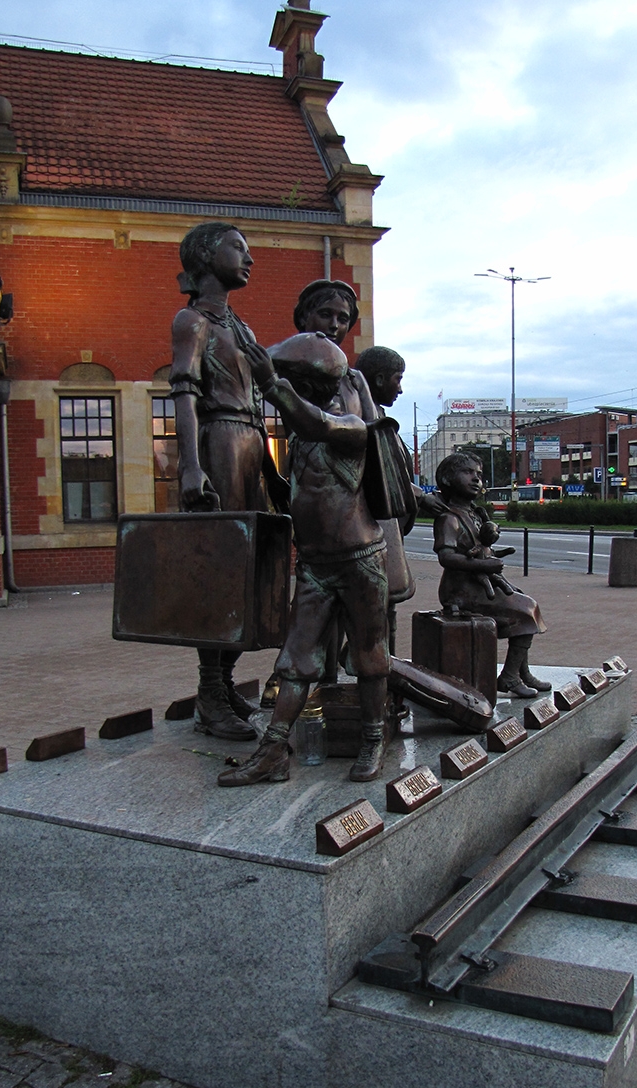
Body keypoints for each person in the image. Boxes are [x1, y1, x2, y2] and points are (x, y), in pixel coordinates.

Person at [219, 332, 391, 786]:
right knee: (295, 660)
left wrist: (272, 384)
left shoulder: (350, 427)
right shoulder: (299, 441)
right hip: (315, 564)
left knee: (370, 656)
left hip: (360, 561)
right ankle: (273, 750)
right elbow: (301, 492)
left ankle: (374, 738)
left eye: (296, 380)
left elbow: (316, 422)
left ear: (312, 385)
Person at [169, 222, 288, 741]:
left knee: (249, 569)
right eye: (238, 248)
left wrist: (269, 467)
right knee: (220, 569)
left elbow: (259, 406)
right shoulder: (191, 320)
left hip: (246, 447)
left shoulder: (242, 328)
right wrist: (191, 465)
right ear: (205, 255)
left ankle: (225, 682)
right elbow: (184, 394)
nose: (250, 259)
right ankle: (209, 691)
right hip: (217, 442)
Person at [433, 452, 549, 699]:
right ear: (447, 478)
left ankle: (520, 671)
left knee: (522, 601)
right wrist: (485, 567)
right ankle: (508, 677)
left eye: (479, 475)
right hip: (461, 591)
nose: (476, 479)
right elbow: (446, 557)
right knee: (526, 608)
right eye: (468, 473)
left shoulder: (474, 514)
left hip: (476, 586)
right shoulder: (448, 518)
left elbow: (480, 549)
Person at [354, 345, 447, 655]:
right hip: (367, 530)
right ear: (379, 379)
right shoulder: (359, 418)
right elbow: (379, 470)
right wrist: (421, 496)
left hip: (384, 528)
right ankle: (372, 670)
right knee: (364, 606)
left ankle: (385, 668)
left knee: (387, 605)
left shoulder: (378, 415)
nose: (401, 388)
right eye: (398, 379)